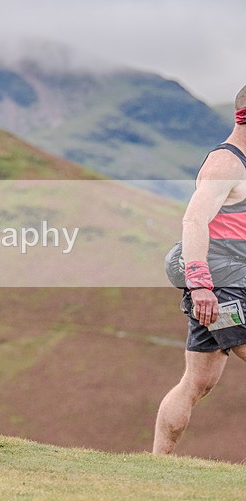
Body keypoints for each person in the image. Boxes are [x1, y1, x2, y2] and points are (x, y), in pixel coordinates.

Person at [154, 85, 246, 454]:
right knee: (195, 380)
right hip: (221, 288)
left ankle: (156, 465)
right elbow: (194, 220)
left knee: (198, 381)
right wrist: (201, 286)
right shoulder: (226, 164)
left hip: (229, 283)